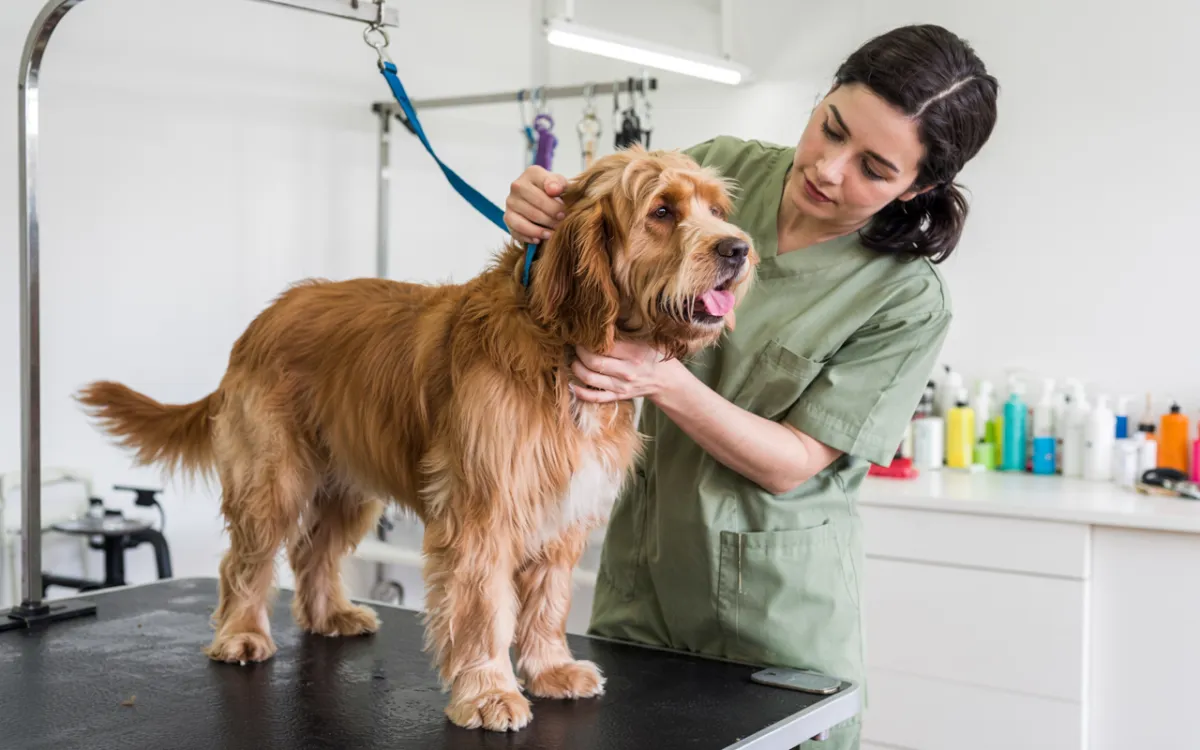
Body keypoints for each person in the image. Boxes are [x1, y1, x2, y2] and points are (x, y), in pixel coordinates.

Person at [503, 23, 998, 749]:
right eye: (830, 128)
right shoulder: (720, 172)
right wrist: (536, 207)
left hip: (775, 626)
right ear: (823, 98)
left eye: (873, 168)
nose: (829, 169)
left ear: (919, 186)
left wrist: (664, 381)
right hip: (640, 586)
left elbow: (792, 462)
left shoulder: (907, 300)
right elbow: (589, 243)